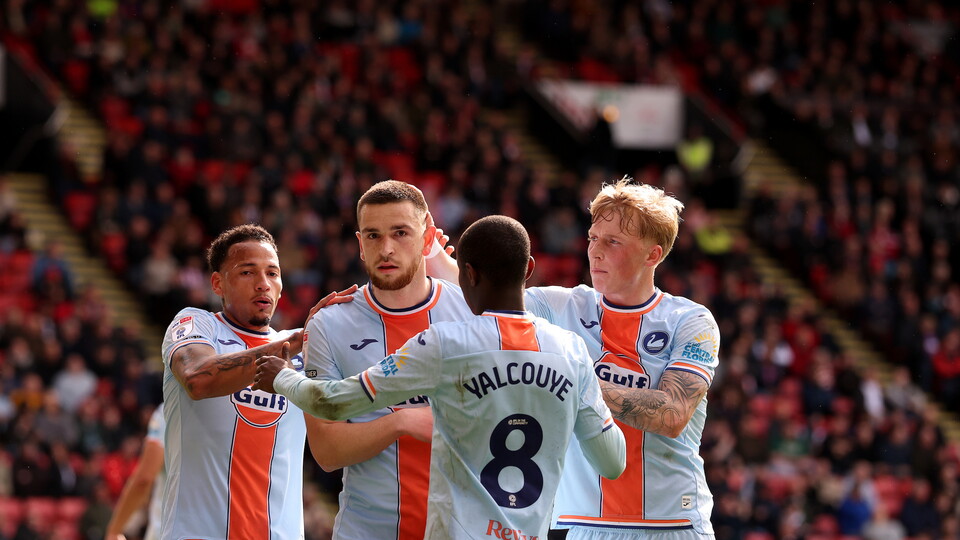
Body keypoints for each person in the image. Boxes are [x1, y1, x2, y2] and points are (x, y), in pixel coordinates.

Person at [253, 215, 627, 539]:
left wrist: (283, 377)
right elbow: (612, 463)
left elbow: (332, 402)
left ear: (467, 274)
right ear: (528, 269)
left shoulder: (446, 344)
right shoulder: (571, 351)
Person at [428, 177, 720, 538]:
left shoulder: (690, 321)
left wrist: (577, 384)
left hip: (672, 524)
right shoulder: (561, 305)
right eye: (593, 238)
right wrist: (427, 252)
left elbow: (673, 413)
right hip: (581, 525)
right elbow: (478, 290)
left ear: (652, 255)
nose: (595, 251)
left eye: (613, 242)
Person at [297, 180, 474, 540]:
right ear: (360, 245)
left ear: (427, 238)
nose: (386, 248)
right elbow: (326, 452)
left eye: (400, 233)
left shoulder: (472, 314)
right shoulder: (329, 324)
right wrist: (401, 421)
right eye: (373, 236)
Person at [160, 223, 348, 540]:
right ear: (217, 283)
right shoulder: (196, 324)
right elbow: (197, 378)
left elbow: (332, 446)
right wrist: (296, 341)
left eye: (272, 273)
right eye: (247, 272)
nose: (263, 284)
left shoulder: (307, 353)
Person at [105, 403, 165, 540]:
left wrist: (114, 530)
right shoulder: (218, 411)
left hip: (172, 529)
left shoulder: (167, 412)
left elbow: (144, 479)